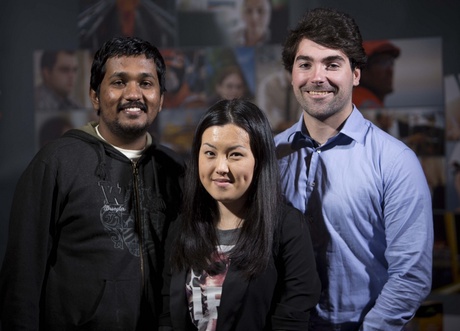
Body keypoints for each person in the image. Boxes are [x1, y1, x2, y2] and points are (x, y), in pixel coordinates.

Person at [0, 36, 184, 330]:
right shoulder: (57, 162)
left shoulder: (177, 170)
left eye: (146, 83)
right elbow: (22, 276)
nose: (133, 93)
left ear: (161, 99)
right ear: (95, 96)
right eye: (119, 82)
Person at [275, 8, 433, 330]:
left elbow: (410, 276)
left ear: (356, 74)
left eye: (332, 64)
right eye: (305, 64)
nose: (317, 77)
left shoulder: (395, 162)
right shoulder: (268, 154)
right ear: (292, 74)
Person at [159, 99, 321, 330]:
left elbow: (291, 320)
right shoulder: (181, 227)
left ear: (260, 159)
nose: (221, 167)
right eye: (210, 153)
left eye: (235, 155)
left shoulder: (287, 228)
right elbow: (166, 314)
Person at [352, 40, 400, 109]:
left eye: (391, 62)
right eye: (382, 63)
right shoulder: (366, 105)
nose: (390, 70)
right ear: (362, 71)